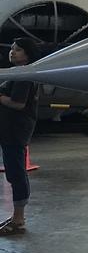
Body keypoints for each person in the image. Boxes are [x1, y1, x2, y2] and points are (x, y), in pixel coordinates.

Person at [0, 38, 41, 236]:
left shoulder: (24, 75)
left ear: (27, 54)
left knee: (16, 173)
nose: (12, 52)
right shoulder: (17, 73)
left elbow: (18, 103)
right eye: (12, 49)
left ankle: (18, 220)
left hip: (16, 130)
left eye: (17, 50)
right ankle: (17, 216)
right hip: (10, 130)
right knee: (13, 171)